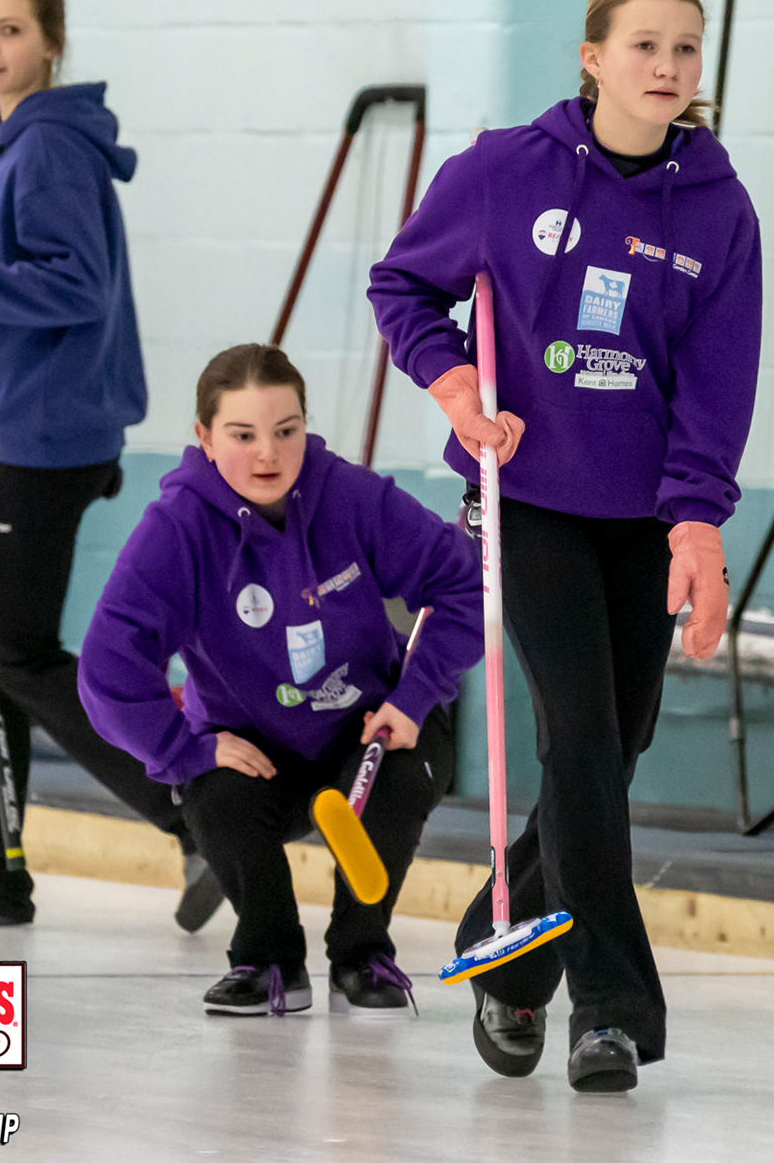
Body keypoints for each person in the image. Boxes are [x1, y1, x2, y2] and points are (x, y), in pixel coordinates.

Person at [369, 0, 762, 1091]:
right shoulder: (504, 170)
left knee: (613, 751)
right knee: (580, 739)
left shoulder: (719, 207)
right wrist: (454, 389)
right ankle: (610, 1008)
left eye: (685, 48)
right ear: (593, 58)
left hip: (642, 515)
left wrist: (698, 529)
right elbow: (403, 287)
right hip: (527, 498)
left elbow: (717, 385)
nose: (668, 67)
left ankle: (505, 954)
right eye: (645, 45)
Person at [0, 0, 219, 931]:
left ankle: (191, 809)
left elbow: (75, 287)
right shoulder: (21, 144)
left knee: (6, 653)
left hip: (51, 436)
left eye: (11, 29)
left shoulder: (48, 150)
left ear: (52, 42)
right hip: (43, 430)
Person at [76, 345, 483, 1016]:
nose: (268, 454)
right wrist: (182, 749)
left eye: (285, 430)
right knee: (214, 795)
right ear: (205, 438)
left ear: (304, 426)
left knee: (402, 780)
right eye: (242, 435)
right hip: (255, 747)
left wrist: (414, 698)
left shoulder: (352, 497)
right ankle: (268, 959)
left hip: (370, 728)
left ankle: (361, 953)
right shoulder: (177, 530)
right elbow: (107, 663)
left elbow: (464, 586)